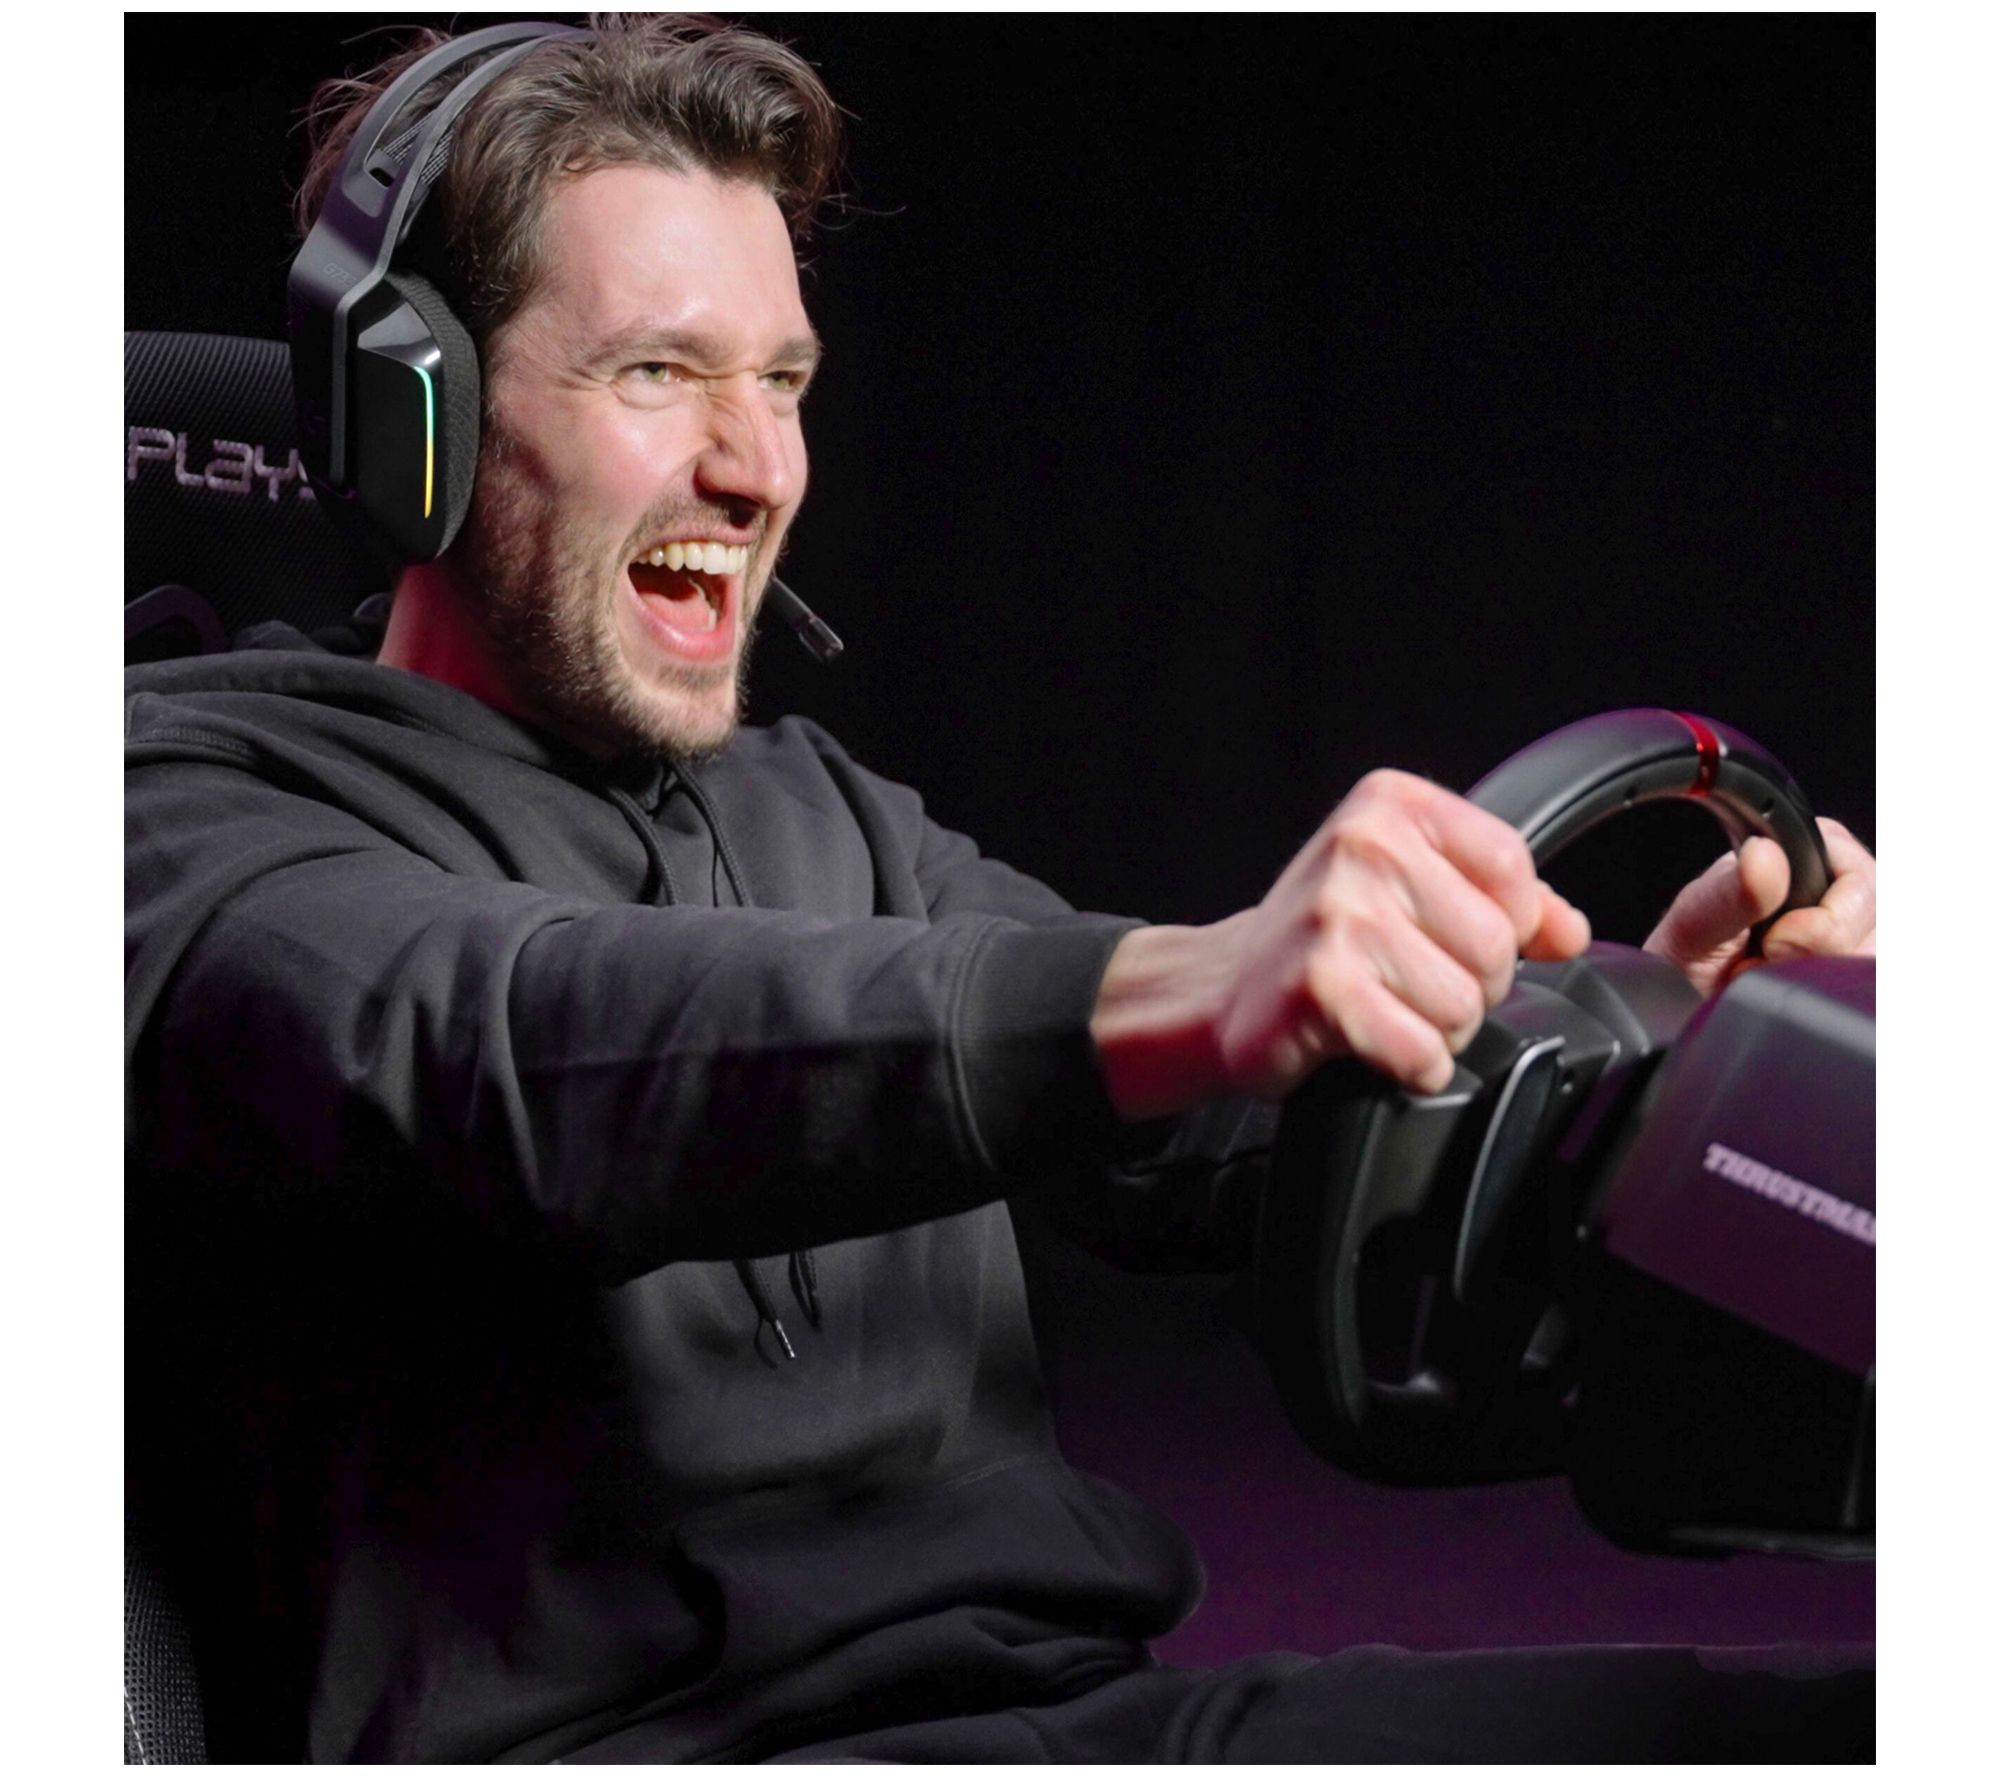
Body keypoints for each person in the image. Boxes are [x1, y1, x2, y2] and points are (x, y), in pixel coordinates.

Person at [124, 16, 1878, 1763]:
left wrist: (1670, 1069)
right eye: (658, 373)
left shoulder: (829, 820)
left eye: (782, 381)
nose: (757, 467)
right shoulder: (181, 818)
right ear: (407, 415)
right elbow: (520, 1042)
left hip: (1081, 1722)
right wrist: (1179, 990)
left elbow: (1240, 1112)